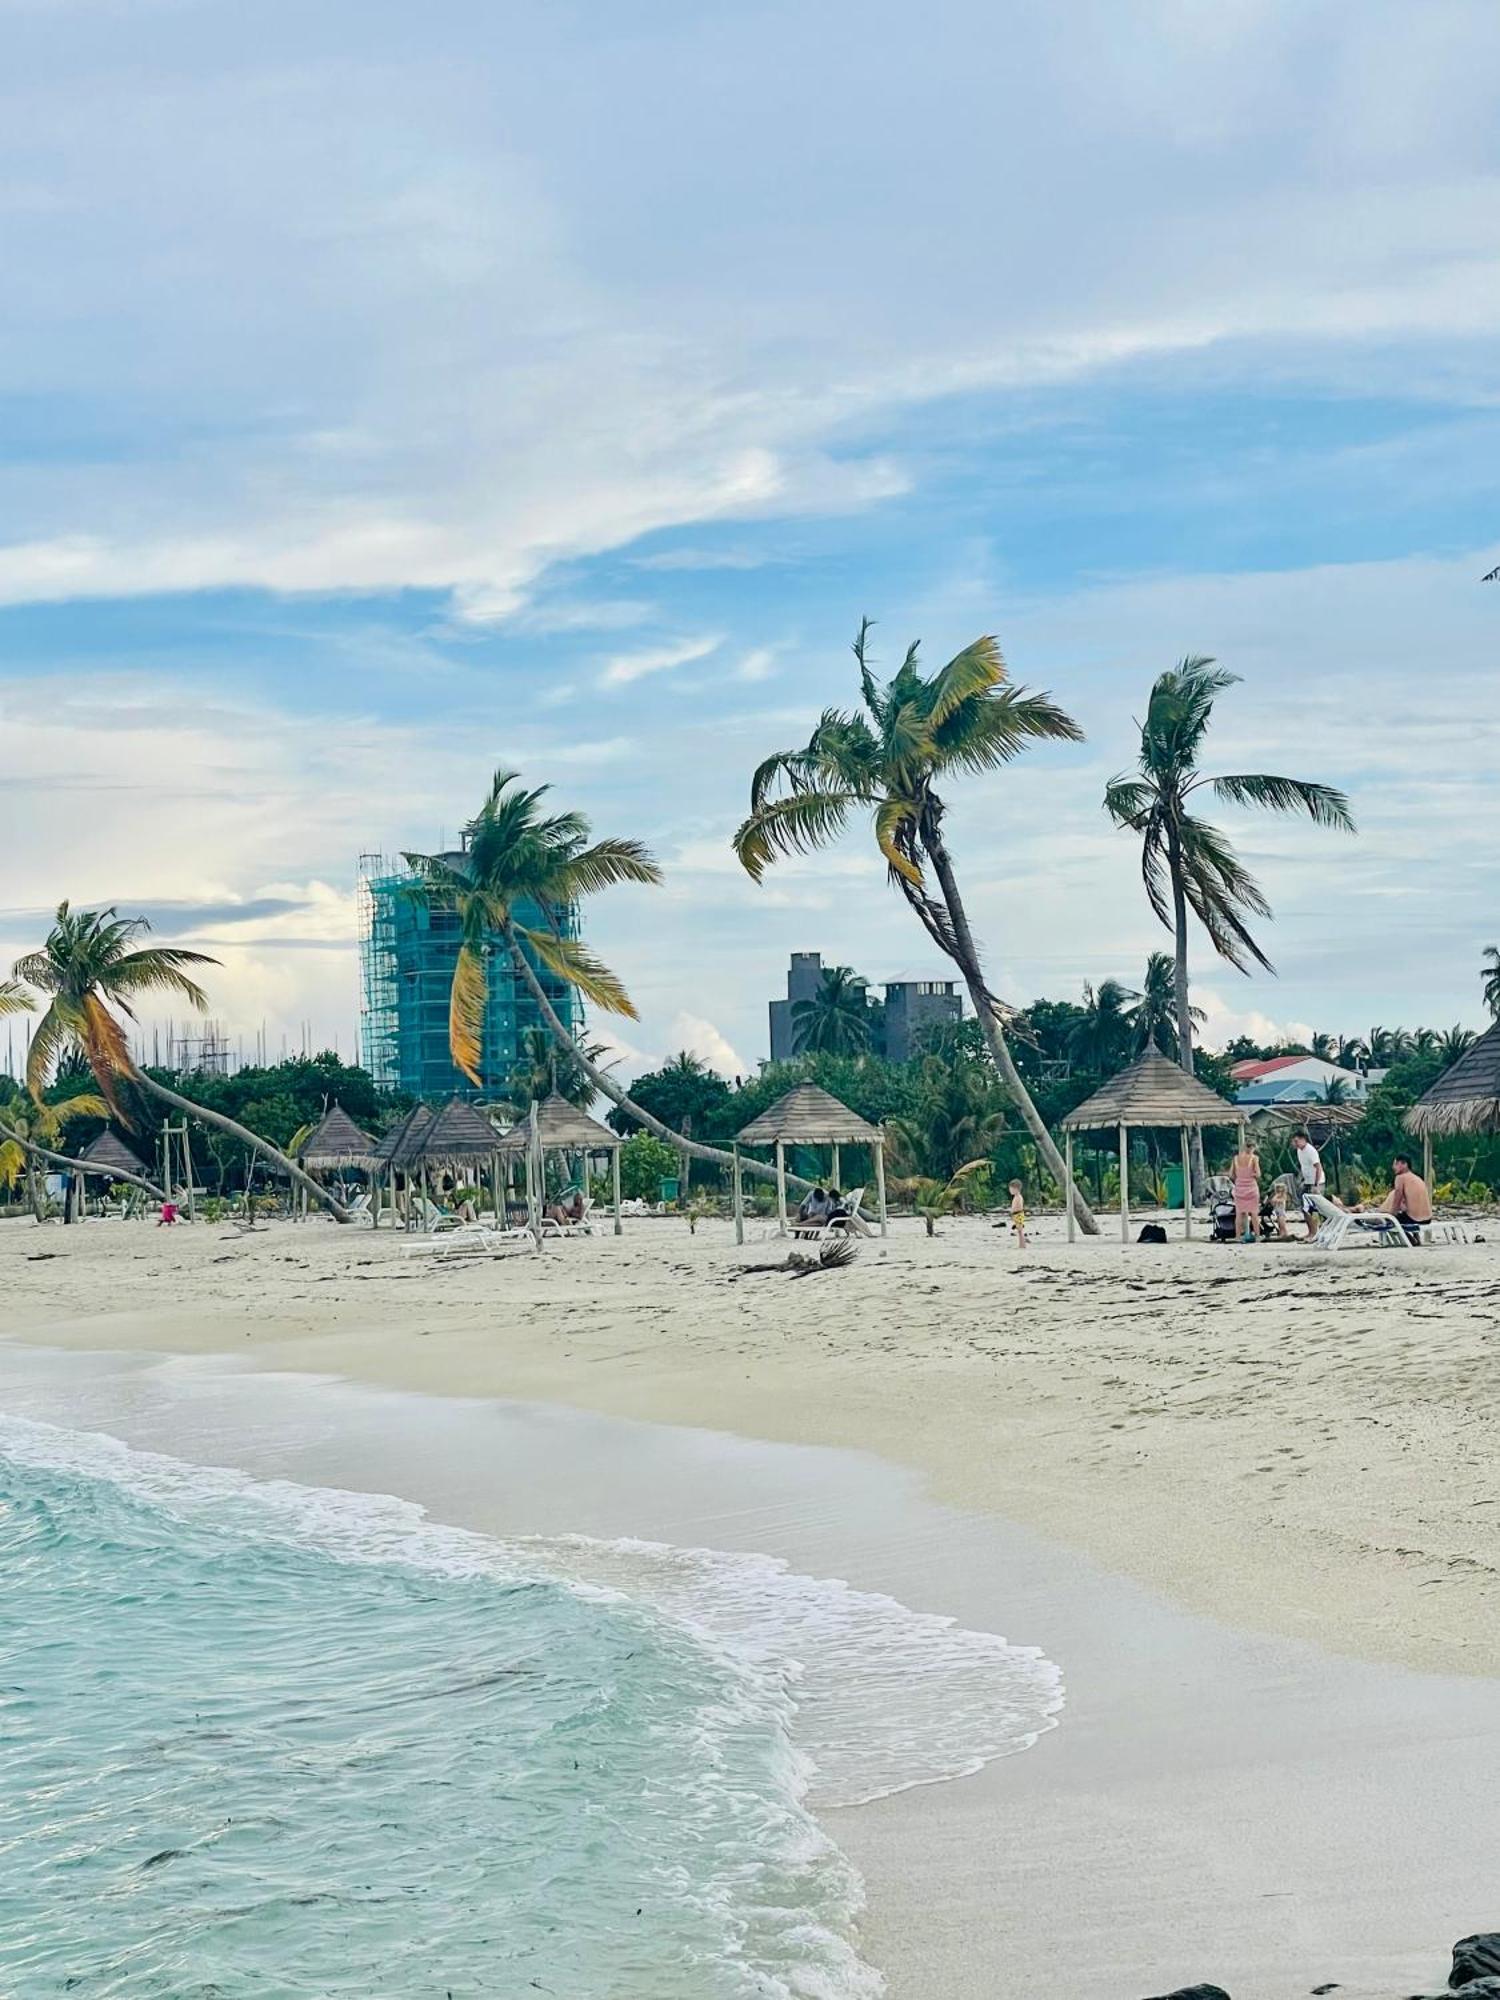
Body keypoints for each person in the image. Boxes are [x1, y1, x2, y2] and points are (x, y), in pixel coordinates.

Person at [1378, 1153, 1434, 1241]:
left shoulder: (1400, 1178)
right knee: (1400, 1215)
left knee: (1387, 1220)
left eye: (1396, 1164)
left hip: (1413, 1219)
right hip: (1428, 1219)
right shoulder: (1417, 1178)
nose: (1393, 1167)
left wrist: (1390, 1215)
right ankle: (1415, 1236)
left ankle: (1409, 1239)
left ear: (1404, 1164)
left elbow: (1397, 1197)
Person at [1291, 1129, 1325, 1239]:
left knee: (1314, 1209)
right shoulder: (1299, 1151)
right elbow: (1304, 1167)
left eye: (1296, 1141)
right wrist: (1301, 1180)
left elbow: (1318, 1168)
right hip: (1307, 1181)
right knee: (1304, 1208)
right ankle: (1311, 1231)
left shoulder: (1311, 1151)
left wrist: (1316, 1185)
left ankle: (1316, 1232)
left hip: (1316, 1182)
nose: (1295, 1143)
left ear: (1303, 1140)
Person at [1230, 1141, 1261, 1242]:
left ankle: (1238, 1237)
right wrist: (1251, 1175)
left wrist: (1240, 1177)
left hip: (1239, 1187)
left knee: (1239, 1214)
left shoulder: (1235, 1158)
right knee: (1254, 1213)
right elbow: (1258, 1174)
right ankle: (1257, 1236)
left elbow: (1231, 1174)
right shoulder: (1254, 1158)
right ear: (1253, 1148)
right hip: (1251, 1187)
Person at [1008, 1178, 1028, 1247]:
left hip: (1019, 1214)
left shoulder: (1019, 1197)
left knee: (1020, 1231)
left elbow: (1019, 1207)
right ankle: (1021, 1244)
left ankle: (1022, 1245)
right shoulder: (1016, 1197)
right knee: (1019, 1231)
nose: (1010, 1191)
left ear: (1016, 1189)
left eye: (1011, 1189)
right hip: (1016, 1215)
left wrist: (1014, 1212)